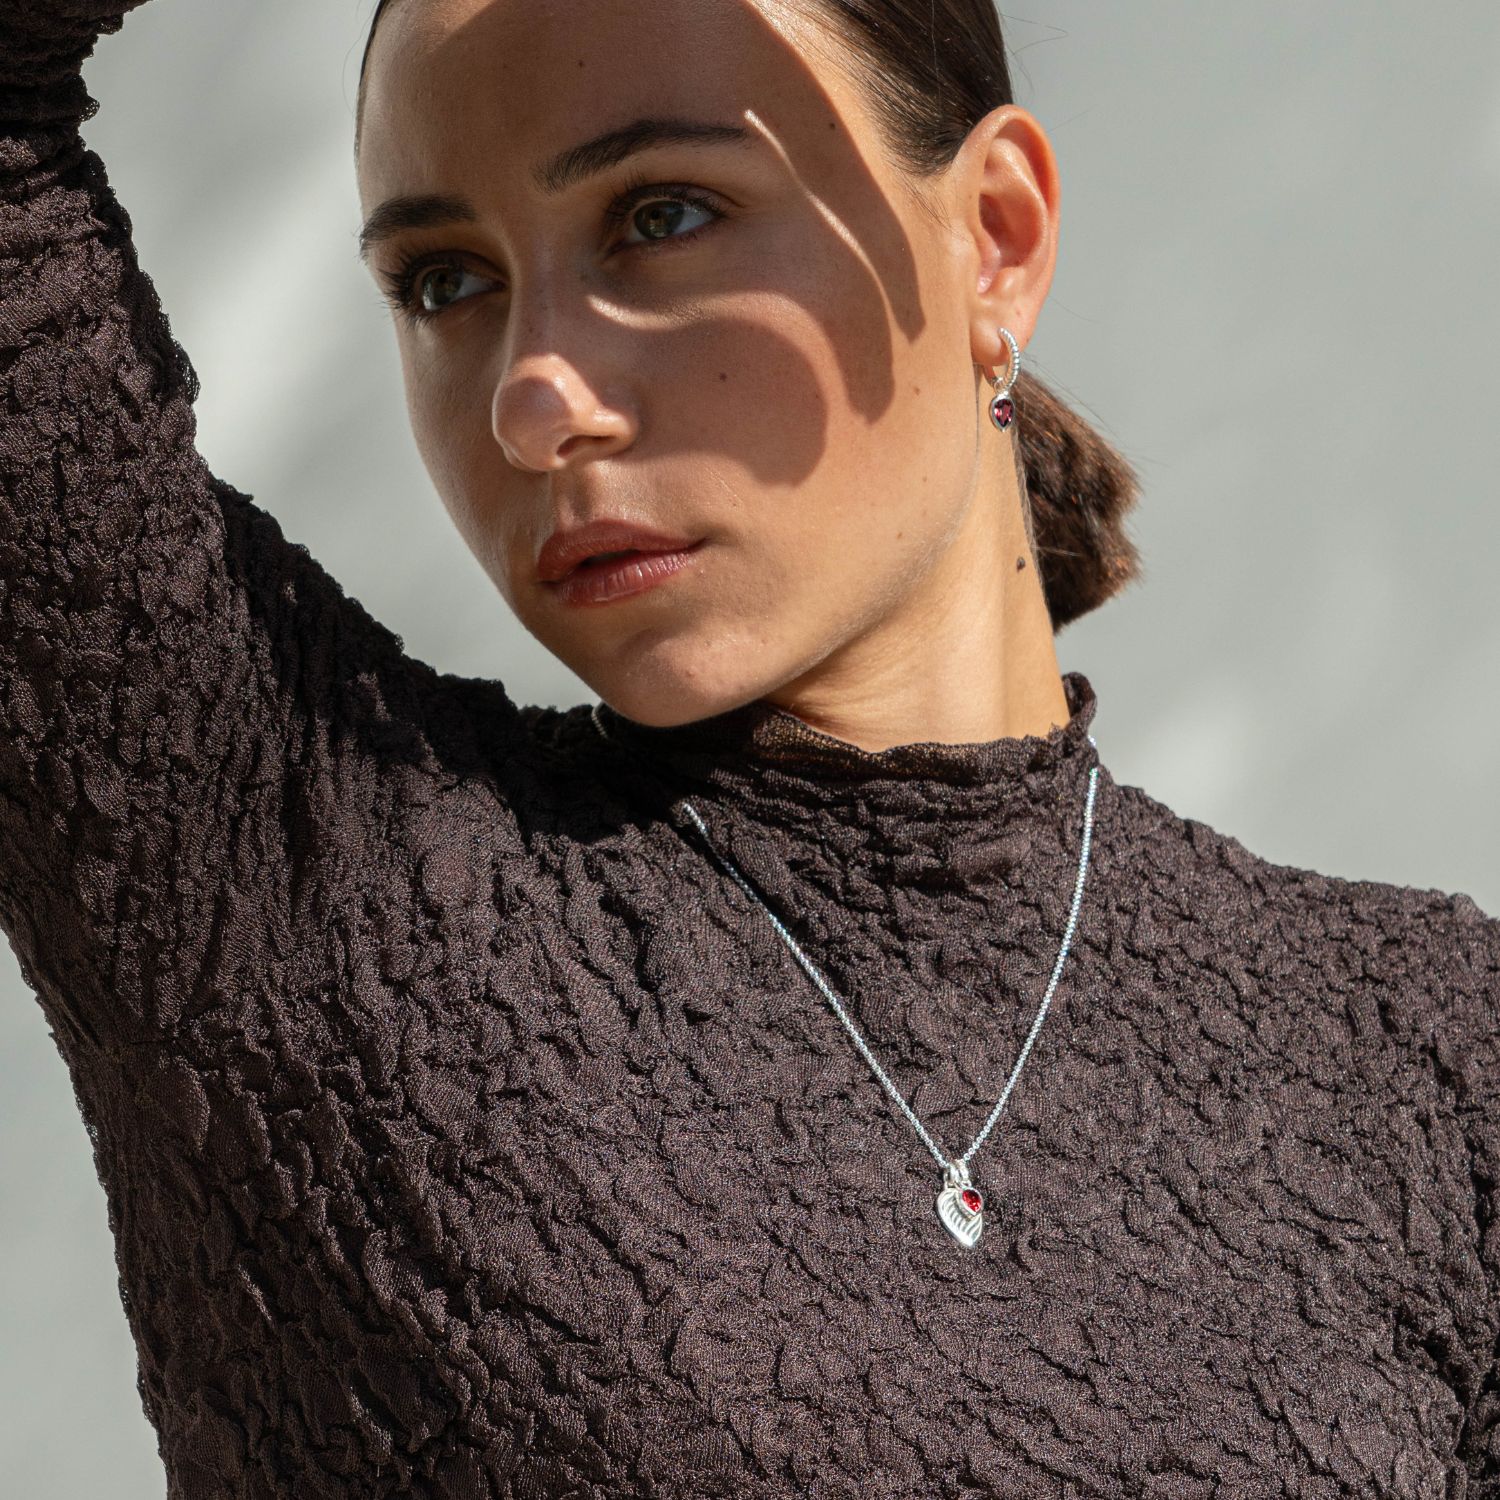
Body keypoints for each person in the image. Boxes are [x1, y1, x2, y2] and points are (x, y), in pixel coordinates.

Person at [1, 1, 1495, 1495]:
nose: (531, 400)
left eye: (662, 215)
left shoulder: (1435, 1060)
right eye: (445, 281)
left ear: (992, 238)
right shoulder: (281, 864)